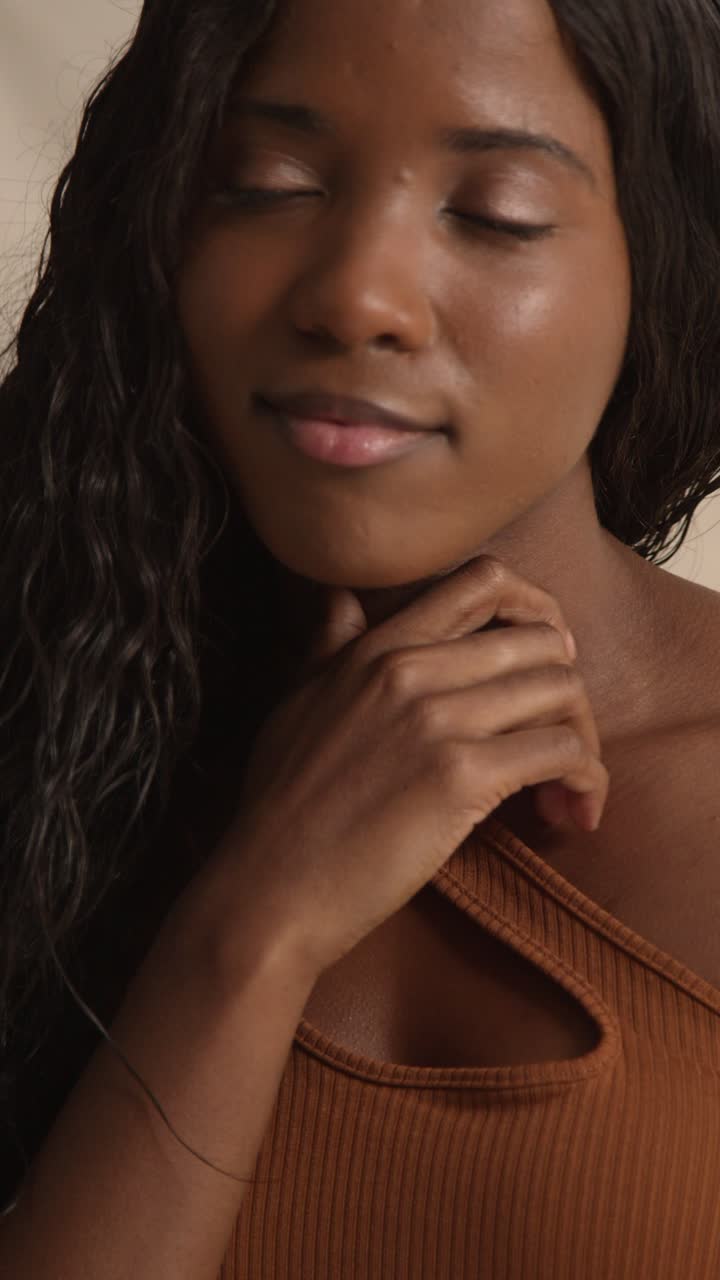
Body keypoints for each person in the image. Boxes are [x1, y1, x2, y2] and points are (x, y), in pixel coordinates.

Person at [1, 0, 720, 1274]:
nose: (356, 296)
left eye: (494, 211)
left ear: (660, 254)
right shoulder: (46, 728)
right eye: (267, 185)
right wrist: (255, 920)